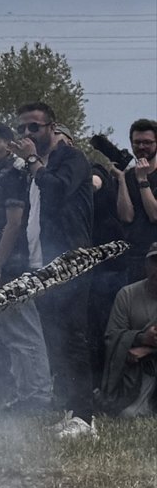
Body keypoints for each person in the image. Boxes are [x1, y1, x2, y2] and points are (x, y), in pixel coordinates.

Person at [11, 102, 95, 421]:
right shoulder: (32, 168)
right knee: (53, 339)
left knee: (74, 336)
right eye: (23, 129)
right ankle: (65, 407)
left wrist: (32, 159)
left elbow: (57, 191)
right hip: (40, 263)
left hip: (71, 259)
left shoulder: (71, 159)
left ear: (51, 127)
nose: (27, 134)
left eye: (34, 127)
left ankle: (84, 415)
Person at [0, 122, 52, 412]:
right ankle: (26, 392)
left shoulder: (14, 174)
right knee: (10, 333)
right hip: (3, 265)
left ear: (8, 143)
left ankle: (38, 395)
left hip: (15, 266)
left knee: (24, 332)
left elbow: (14, 224)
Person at [100, 243, 157, 417]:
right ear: (146, 265)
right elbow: (112, 337)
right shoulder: (127, 294)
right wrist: (141, 338)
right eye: (154, 262)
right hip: (136, 372)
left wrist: (146, 349)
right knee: (128, 414)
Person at [112, 119, 157, 283]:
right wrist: (122, 179)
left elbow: (154, 215)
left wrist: (143, 179)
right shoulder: (128, 176)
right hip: (132, 255)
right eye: (137, 142)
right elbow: (126, 216)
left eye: (147, 142)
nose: (142, 147)